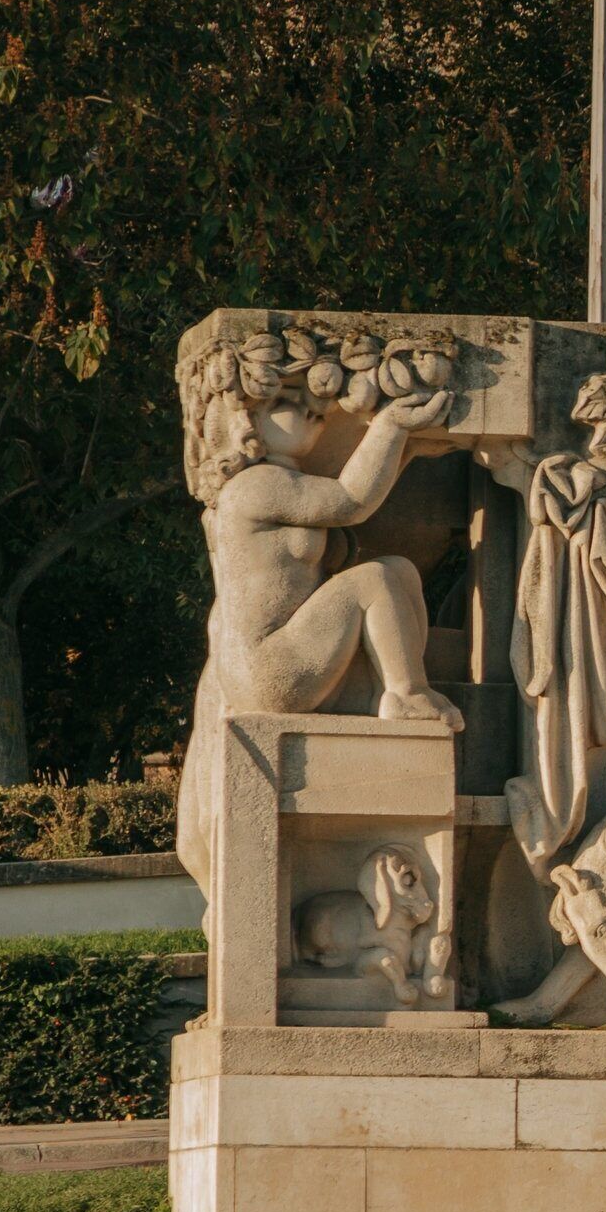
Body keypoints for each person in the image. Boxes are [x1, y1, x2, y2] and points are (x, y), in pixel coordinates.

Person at [175, 328, 463, 893]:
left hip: (271, 660)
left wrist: (405, 446)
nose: (311, 410)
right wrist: (390, 427)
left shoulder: (269, 486)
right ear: (245, 420)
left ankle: (400, 690)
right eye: (286, 401)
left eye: (313, 403)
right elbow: (352, 500)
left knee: (398, 573)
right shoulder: (259, 486)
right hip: (270, 668)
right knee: (376, 579)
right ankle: (403, 694)